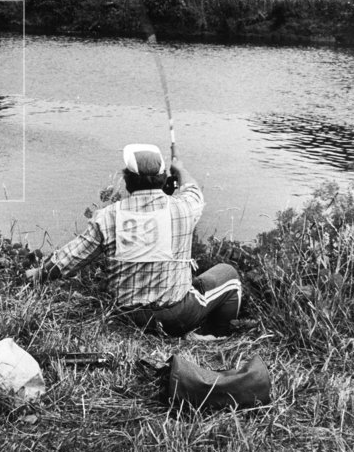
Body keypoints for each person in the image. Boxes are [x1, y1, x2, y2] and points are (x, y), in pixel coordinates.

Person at [27, 144, 242, 337]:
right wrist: (180, 169)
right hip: (176, 317)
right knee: (229, 275)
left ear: (127, 180)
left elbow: (69, 259)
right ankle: (216, 335)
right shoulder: (184, 209)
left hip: (126, 316)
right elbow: (193, 190)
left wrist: (38, 275)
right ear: (163, 179)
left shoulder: (108, 216)